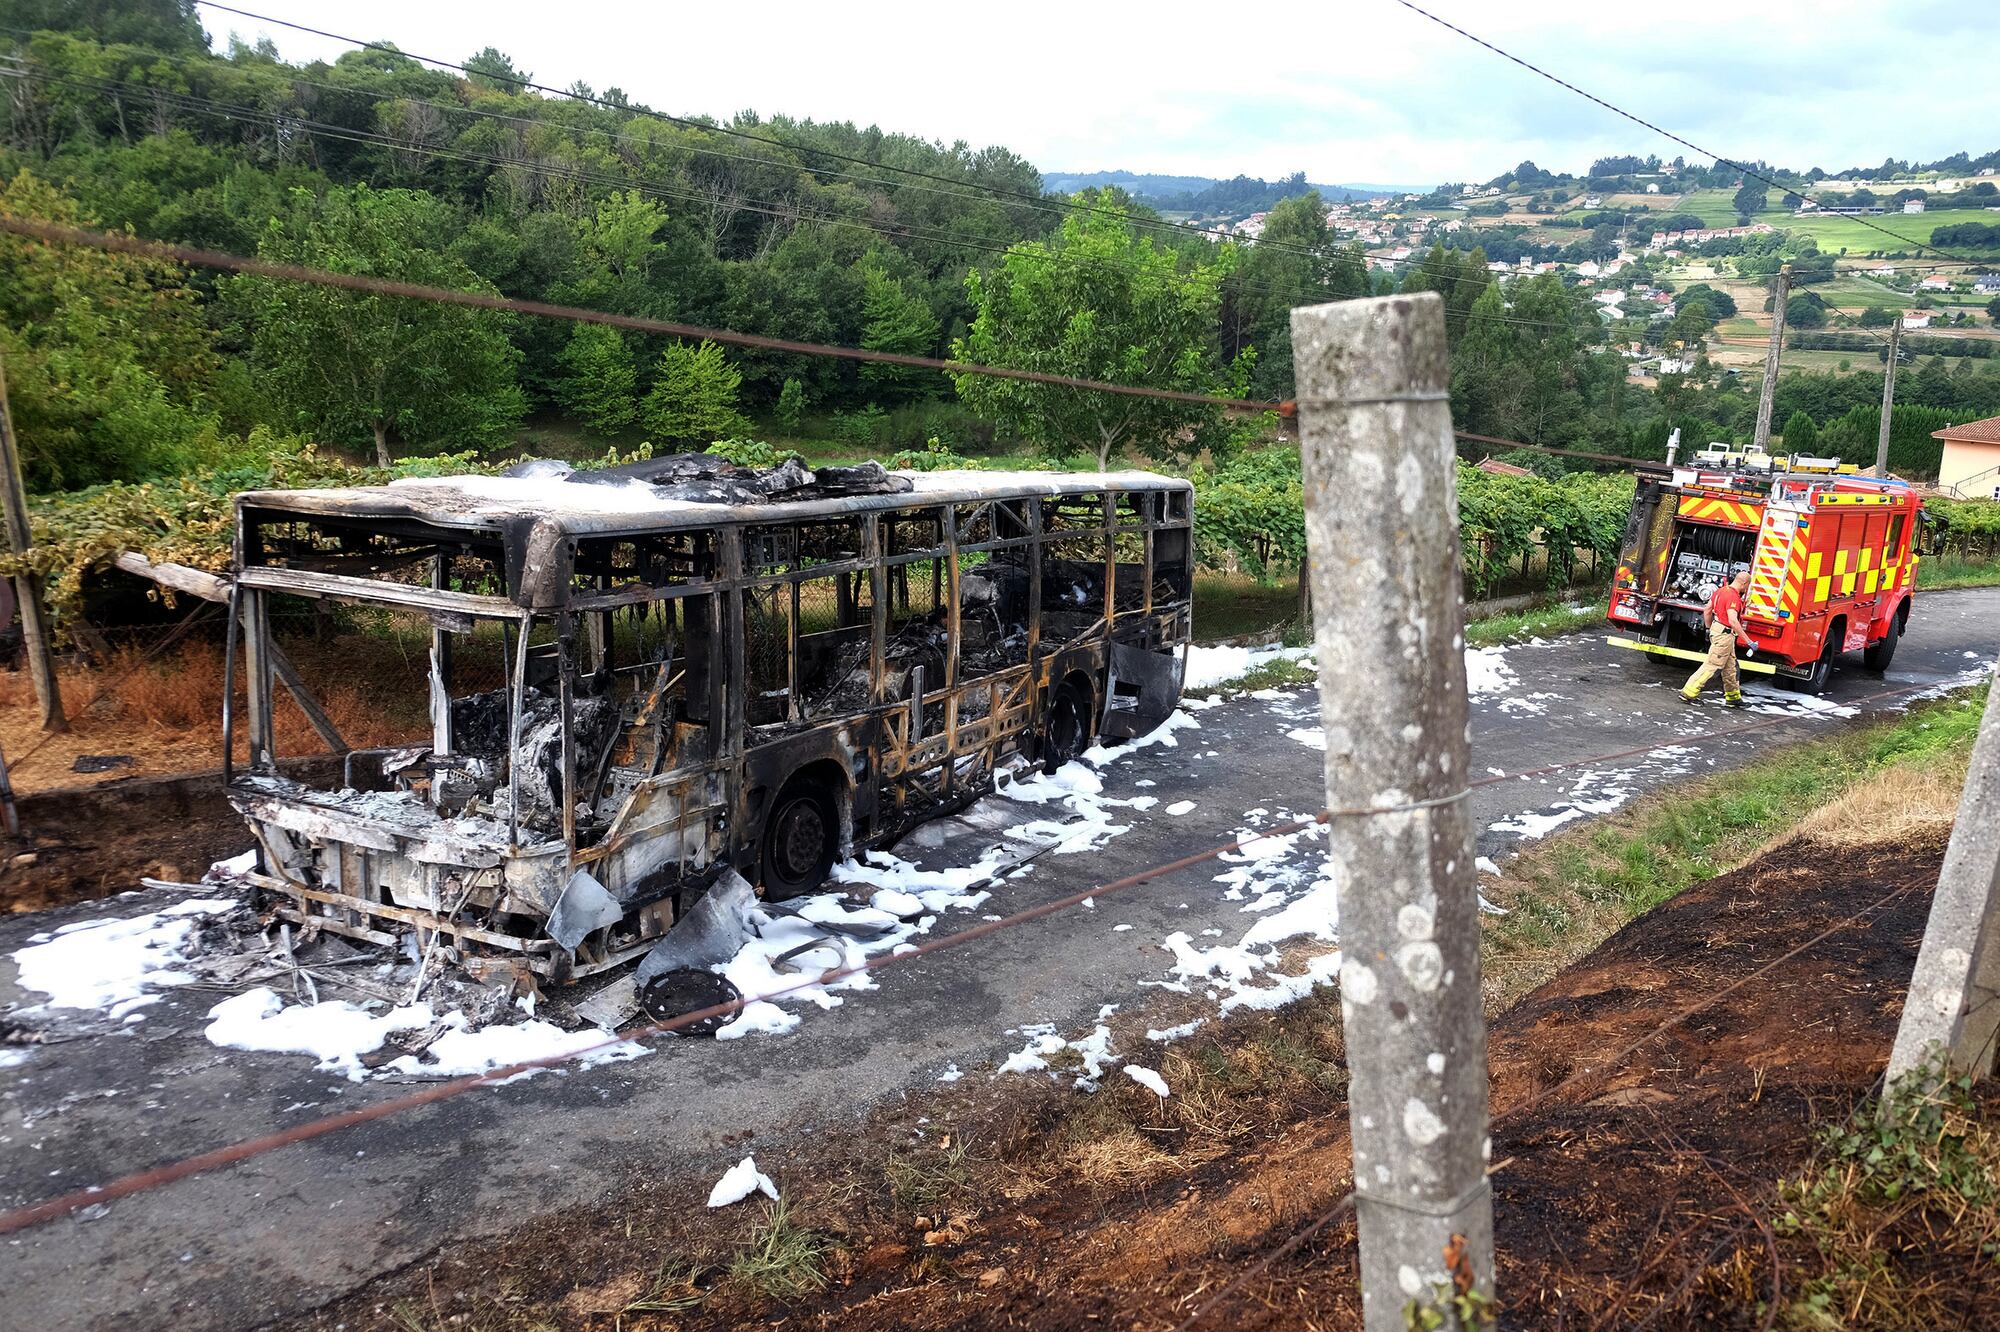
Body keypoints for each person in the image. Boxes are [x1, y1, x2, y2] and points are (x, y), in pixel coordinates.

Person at [1681, 570, 1750, 706]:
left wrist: (1708, 629)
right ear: (1744, 583)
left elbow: (1707, 610)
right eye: (1747, 586)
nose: (1746, 589)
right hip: (1725, 634)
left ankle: (1733, 698)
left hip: (1717, 629)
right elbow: (1733, 621)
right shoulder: (1733, 597)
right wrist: (1748, 641)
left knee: (1730, 667)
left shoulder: (1721, 591)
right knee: (1712, 665)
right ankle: (1688, 693)